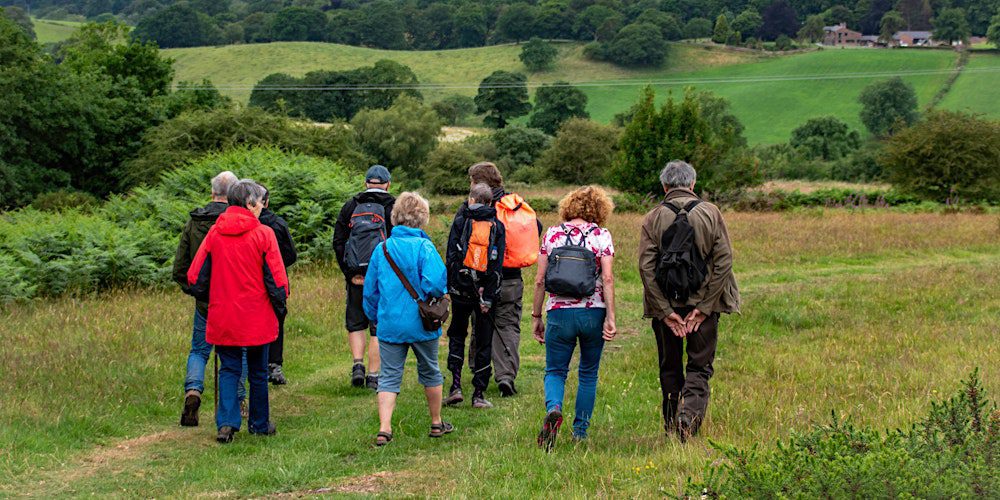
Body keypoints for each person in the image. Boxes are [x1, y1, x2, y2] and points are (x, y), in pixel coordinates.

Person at [638, 161, 740, 442]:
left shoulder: (653, 217)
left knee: (669, 366)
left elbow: (646, 268)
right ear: (692, 184)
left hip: (665, 306)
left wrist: (665, 310)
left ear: (664, 186)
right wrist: (705, 307)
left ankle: (672, 424)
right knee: (699, 366)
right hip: (703, 305)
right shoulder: (711, 213)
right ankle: (689, 419)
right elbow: (724, 262)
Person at [186, 179, 289, 443]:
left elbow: (195, 276)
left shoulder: (214, 234)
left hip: (224, 314)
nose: (260, 208)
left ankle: (227, 425)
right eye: (257, 202)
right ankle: (259, 423)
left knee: (229, 369)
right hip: (258, 315)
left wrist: (213, 296)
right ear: (249, 203)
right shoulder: (263, 234)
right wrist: (280, 306)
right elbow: (278, 280)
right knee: (257, 371)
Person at [362, 192, 453, 446]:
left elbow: (370, 291)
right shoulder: (425, 247)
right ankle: (436, 422)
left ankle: (384, 428)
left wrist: (374, 317)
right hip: (422, 322)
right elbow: (435, 284)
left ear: (395, 217)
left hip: (390, 322)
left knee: (389, 375)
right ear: (422, 217)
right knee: (430, 371)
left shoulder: (382, 249)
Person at [531, 186, 618, 450]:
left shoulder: (553, 234)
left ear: (568, 206)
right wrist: (610, 316)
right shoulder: (602, 235)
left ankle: (554, 408)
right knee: (588, 374)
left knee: (556, 371)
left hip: (559, 312)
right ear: (600, 209)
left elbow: (539, 280)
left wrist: (536, 315)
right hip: (593, 311)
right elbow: (608, 278)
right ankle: (579, 432)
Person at [175, 170, 248, 427]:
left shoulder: (194, 222)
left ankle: (193, 391)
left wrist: (196, 291)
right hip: (235, 300)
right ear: (235, 194)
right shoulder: (239, 223)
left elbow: (180, 267)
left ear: (212, 193)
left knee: (199, 349)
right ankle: (239, 401)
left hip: (205, 303)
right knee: (239, 351)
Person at [468, 162, 542, 397]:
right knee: (508, 324)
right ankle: (506, 375)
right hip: (511, 278)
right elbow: (536, 228)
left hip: (481, 278)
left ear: (479, 183)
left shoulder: (478, 205)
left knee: (480, 322)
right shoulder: (516, 205)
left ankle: (479, 370)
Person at [333, 165, 395, 391]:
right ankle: (373, 375)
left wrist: (350, 273)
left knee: (356, 321)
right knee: (378, 326)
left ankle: (357, 364)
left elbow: (338, 242)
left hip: (356, 276)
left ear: (366, 182)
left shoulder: (351, 205)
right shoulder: (393, 207)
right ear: (388, 183)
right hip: (384, 278)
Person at [444, 183, 506, 409]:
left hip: (461, 291)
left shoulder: (460, 222)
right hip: (485, 296)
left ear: (471, 199)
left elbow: (451, 258)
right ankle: (479, 393)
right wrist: (488, 296)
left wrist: (452, 288)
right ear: (490, 202)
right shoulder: (498, 227)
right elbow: (497, 266)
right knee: (483, 341)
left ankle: (455, 387)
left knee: (457, 335)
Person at [257, 185, 297, 385]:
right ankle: (274, 365)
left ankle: (256, 366)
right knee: (276, 320)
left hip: (251, 281)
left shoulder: (250, 225)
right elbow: (291, 254)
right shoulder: (278, 224)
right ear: (267, 201)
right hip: (276, 281)